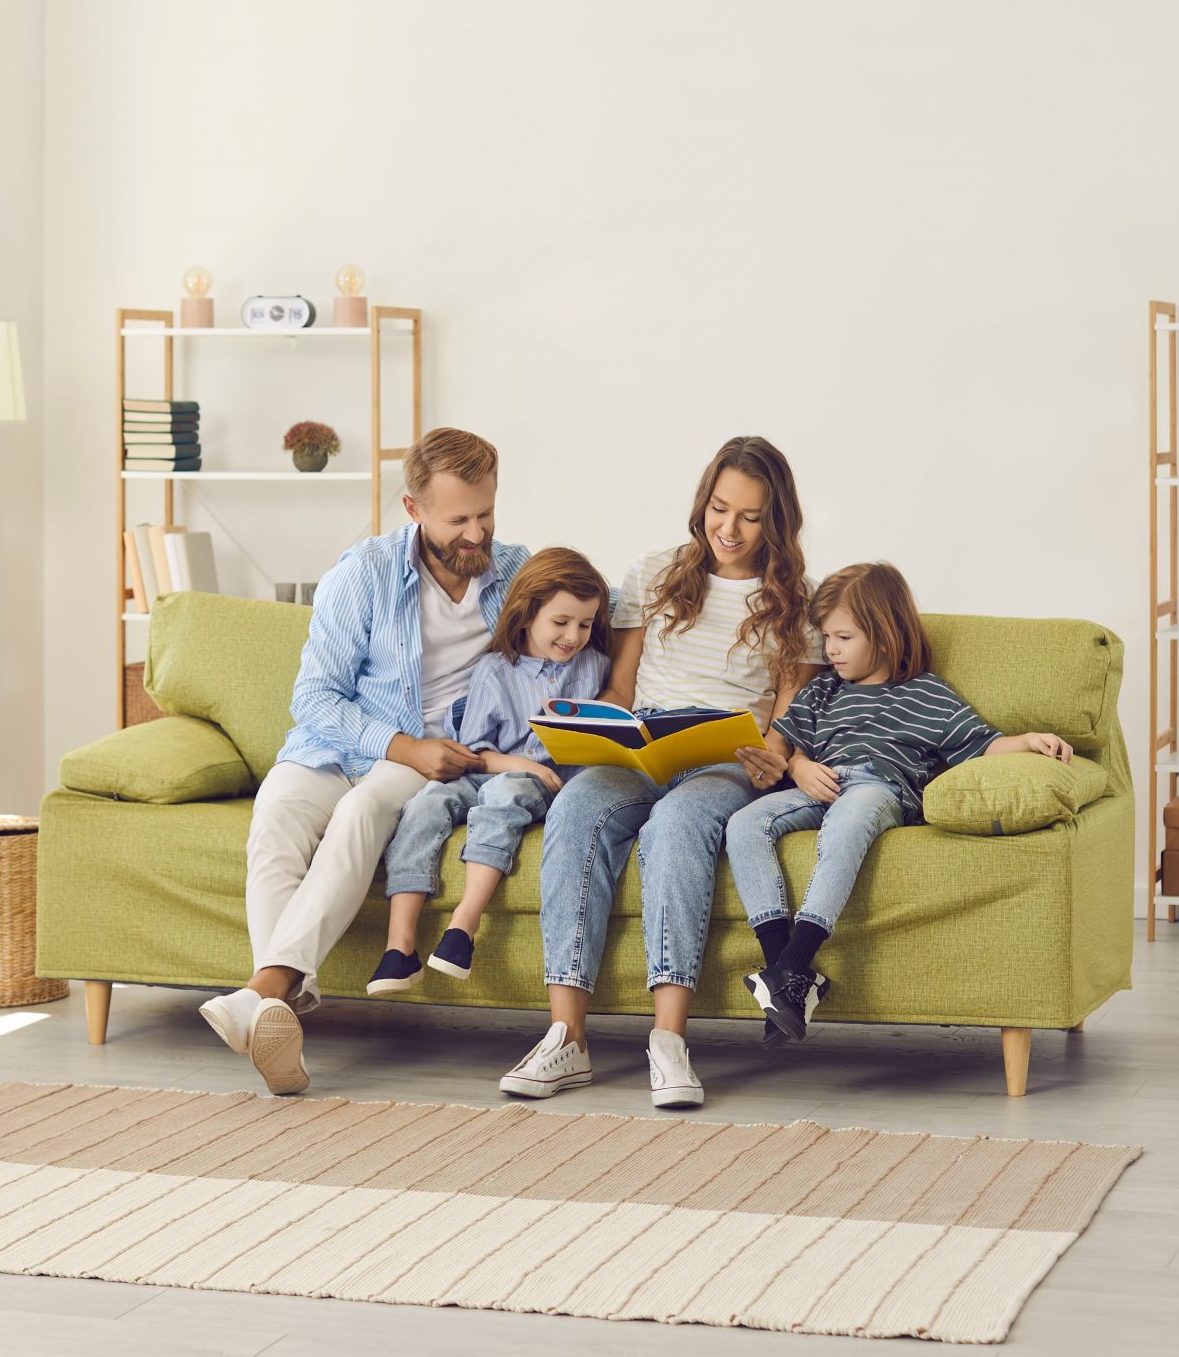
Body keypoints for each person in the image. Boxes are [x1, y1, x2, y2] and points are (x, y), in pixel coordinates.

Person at [198, 427, 525, 1095]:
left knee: (363, 812)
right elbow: (314, 698)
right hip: (353, 745)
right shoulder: (364, 573)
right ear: (413, 510)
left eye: (486, 514)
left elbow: (589, 622)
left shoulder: (517, 572)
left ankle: (263, 995)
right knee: (277, 815)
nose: (476, 533)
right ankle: (276, 1007)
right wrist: (402, 745)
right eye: (458, 519)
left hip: (427, 758)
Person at [502, 435, 816, 1108]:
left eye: (750, 517)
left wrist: (776, 757)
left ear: (776, 522)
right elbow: (621, 688)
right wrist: (591, 724)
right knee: (577, 810)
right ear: (703, 502)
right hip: (643, 752)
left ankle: (668, 1040)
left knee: (675, 825)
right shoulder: (655, 573)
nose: (728, 529)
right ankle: (566, 1037)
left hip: (724, 763)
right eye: (718, 508)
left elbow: (789, 717)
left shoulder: (796, 600)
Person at [729, 561, 1075, 1043]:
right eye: (827, 636)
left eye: (844, 638)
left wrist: (1030, 739)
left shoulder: (927, 694)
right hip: (820, 783)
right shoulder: (822, 691)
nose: (830, 649)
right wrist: (799, 768)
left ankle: (795, 963)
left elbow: (982, 743)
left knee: (848, 822)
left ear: (885, 635)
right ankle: (784, 974)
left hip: (879, 788)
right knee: (744, 824)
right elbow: (792, 747)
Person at [366, 547, 612, 994]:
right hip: (489, 770)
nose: (573, 635)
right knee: (426, 804)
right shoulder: (495, 670)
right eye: (561, 622)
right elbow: (475, 751)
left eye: (585, 623)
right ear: (527, 613)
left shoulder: (595, 668)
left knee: (506, 795)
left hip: (541, 784)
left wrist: (530, 770)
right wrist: (514, 763)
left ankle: (463, 926)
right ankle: (399, 947)